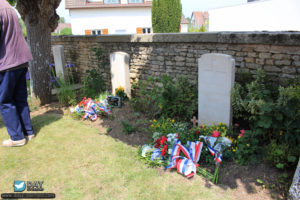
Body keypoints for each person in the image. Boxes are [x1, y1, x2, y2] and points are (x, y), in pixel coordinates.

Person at [0, 0, 34, 147]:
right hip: (21, 60)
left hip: (7, 62)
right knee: (20, 98)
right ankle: (28, 132)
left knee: (5, 100)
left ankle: (17, 137)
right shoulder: (7, 6)